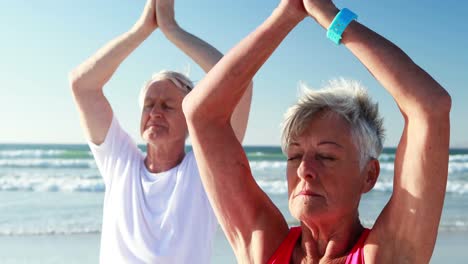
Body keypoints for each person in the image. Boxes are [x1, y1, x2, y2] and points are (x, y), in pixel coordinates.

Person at [183, 0, 451, 263]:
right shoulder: (265, 249)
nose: (304, 170)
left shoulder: (384, 254)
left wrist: (332, 18)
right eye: (294, 156)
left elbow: (428, 107)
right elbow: (201, 113)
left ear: (368, 175)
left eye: (326, 156)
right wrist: (286, 13)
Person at [68, 0, 252, 263]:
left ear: (190, 119)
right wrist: (141, 29)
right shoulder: (120, 162)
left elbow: (240, 83)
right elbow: (82, 85)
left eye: (167, 106)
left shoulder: (204, 171)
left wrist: (172, 30)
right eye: (149, 105)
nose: (155, 113)